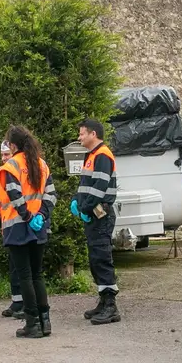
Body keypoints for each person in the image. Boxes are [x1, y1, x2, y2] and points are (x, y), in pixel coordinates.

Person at [0, 125, 57, 338]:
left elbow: (14, 195)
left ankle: (32, 323)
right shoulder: (41, 164)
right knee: (37, 275)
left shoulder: (11, 166)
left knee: (25, 275)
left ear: (13, 145)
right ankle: (45, 322)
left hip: (18, 227)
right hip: (39, 226)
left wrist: (27, 217)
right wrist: (41, 216)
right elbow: (51, 195)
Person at [72, 118, 120, 325]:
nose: (79, 137)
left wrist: (84, 207)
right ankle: (103, 301)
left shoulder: (102, 155)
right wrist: (76, 200)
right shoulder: (91, 156)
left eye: (82, 133)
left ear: (93, 134)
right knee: (95, 259)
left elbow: (99, 188)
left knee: (102, 258)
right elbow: (85, 185)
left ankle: (111, 306)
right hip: (93, 215)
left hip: (101, 214)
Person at [0, 140, 23, 319]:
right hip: (9, 224)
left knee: (24, 266)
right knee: (14, 266)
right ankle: (17, 301)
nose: (3, 158)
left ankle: (26, 303)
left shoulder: (19, 169)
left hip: (23, 222)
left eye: (7, 154)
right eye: (2, 155)